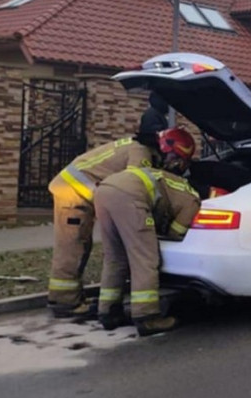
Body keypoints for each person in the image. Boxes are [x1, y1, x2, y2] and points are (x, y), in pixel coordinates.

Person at [46, 131, 174, 319]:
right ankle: (64, 301)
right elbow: (134, 183)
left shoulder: (132, 144)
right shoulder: (141, 154)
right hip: (73, 194)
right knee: (73, 245)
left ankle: (70, 297)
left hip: (74, 189)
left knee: (80, 244)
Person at [94, 128, 201, 337]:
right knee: (145, 258)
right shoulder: (192, 198)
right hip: (131, 197)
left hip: (105, 189)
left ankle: (108, 311)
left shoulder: (161, 175)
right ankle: (147, 317)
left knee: (115, 257)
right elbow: (176, 232)